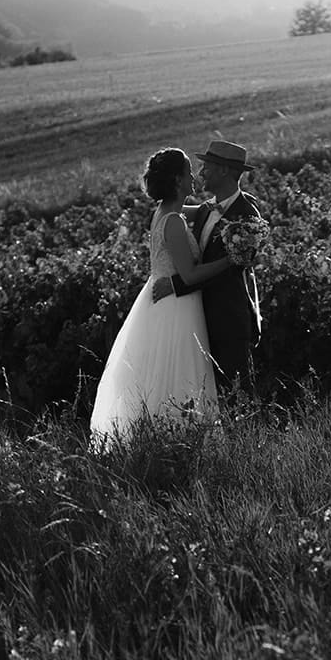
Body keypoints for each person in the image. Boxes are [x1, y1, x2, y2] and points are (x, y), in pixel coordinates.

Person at [89, 148, 233, 440]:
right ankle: (177, 440)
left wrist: (217, 208)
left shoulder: (166, 213)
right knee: (179, 371)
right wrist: (229, 260)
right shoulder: (174, 222)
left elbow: (202, 211)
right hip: (177, 307)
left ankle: (163, 440)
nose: (194, 176)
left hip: (162, 301)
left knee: (162, 374)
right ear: (178, 180)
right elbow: (190, 275)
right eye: (188, 172)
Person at [150, 140, 263, 399]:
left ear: (224, 171)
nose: (201, 173)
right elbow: (169, 213)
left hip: (228, 319)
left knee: (238, 396)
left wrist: (176, 284)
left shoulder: (246, 215)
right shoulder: (204, 210)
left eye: (207, 167)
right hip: (197, 318)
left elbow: (231, 269)